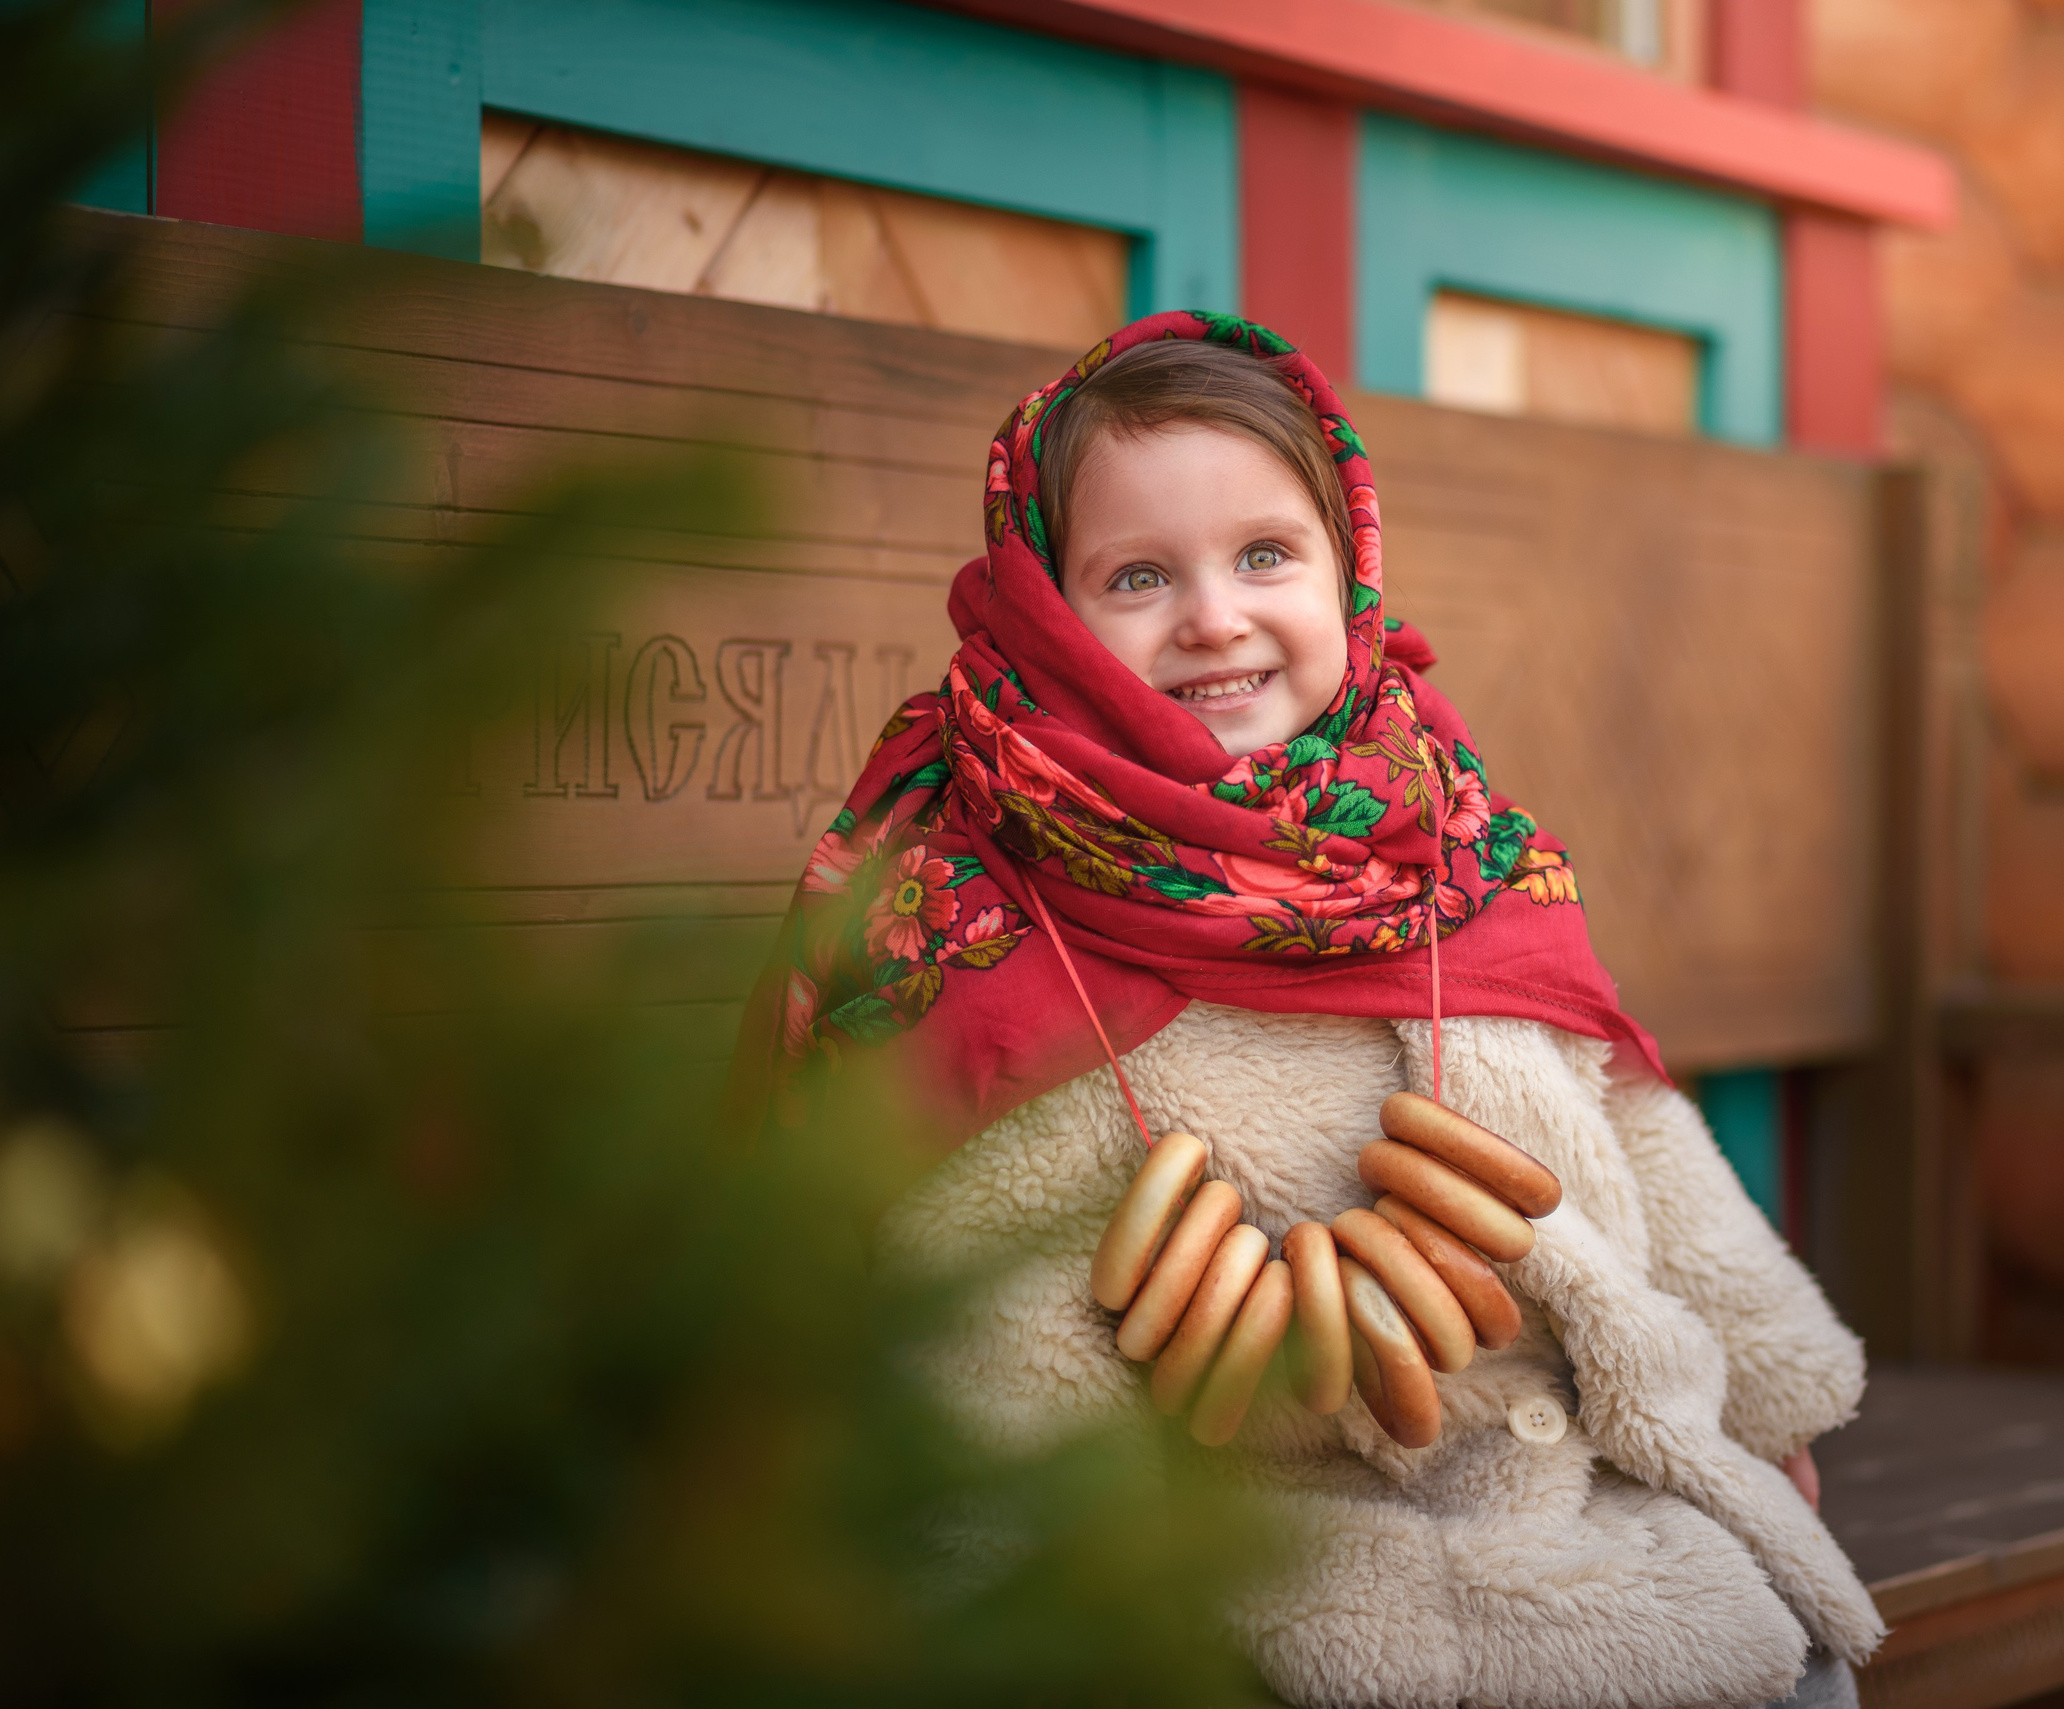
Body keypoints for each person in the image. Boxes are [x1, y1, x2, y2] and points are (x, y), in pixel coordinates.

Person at [728, 313, 1882, 1708]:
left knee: (1788, 1667)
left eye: (1265, 555)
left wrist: (1773, 1399)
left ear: (1349, 570)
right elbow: (983, 1297)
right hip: (1270, 1575)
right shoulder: (995, 929)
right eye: (1138, 576)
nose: (1214, 616)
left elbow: (1632, 1122)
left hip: (1594, 1495)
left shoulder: (1455, 838)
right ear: (1048, 615)